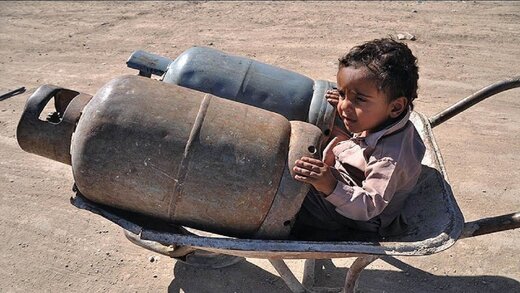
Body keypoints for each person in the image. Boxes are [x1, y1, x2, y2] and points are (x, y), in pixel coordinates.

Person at [291, 38, 426, 241]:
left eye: (359, 99)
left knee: (287, 189)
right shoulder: (381, 119)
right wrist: (351, 101)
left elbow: (370, 207)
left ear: (396, 107)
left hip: (360, 218)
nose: (344, 105)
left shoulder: (389, 159)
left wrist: (328, 184)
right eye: (343, 94)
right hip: (349, 180)